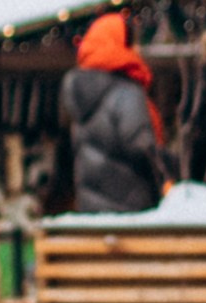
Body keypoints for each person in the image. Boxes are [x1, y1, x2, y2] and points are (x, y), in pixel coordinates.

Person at [59, 11, 165, 214]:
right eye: (134, 43)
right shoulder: (127, 92)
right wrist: (170, 165)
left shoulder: (80, 92)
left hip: (91, 207)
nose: (138, 49)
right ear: (122, 45)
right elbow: (141, 147)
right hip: (131, 210)